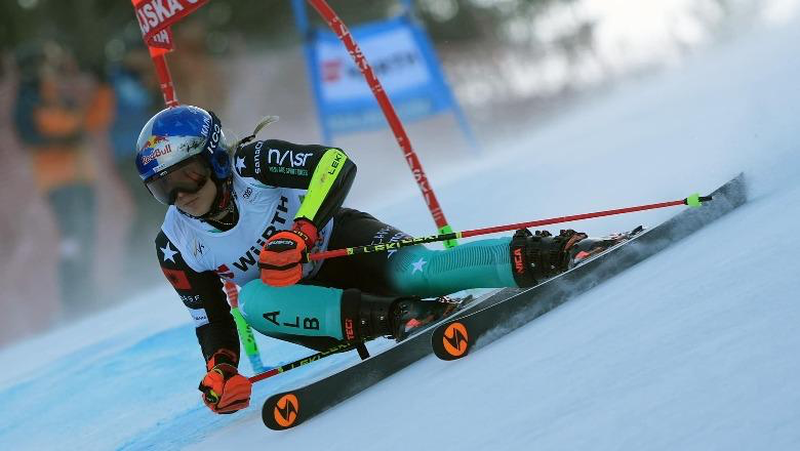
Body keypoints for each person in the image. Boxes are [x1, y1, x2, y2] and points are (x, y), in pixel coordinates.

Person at [135, 105, 593, 415]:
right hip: (312, 303)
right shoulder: (173, 243)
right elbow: (211, 317)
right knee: (253, 301)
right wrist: (222, 371)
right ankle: (398, 318)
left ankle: (552, 252)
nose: (180, 197)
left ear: (214, 160)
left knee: (423, 272)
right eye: (162, 189)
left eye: (187, 178)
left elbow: (334, 163)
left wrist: (303, 231)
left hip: (343, 240)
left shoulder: (252, 163)